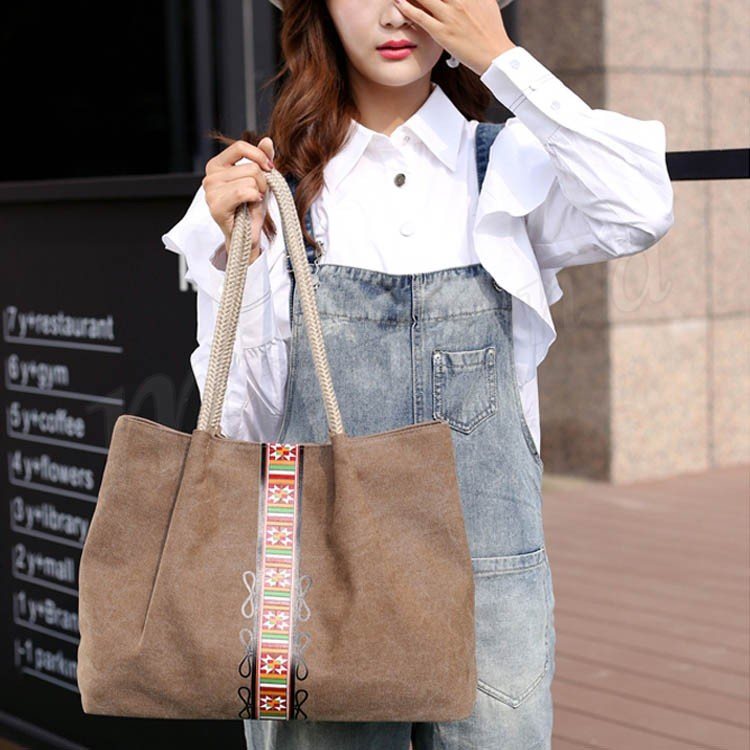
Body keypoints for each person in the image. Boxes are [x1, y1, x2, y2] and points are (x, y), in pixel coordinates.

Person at [162, 1, 675, 747]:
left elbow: (639, 206)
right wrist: (222, 255)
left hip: (489, 584)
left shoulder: (506, 165)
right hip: (314, 583)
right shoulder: (274, 188)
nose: (395, 11)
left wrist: (501, 58)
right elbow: (243, 425)